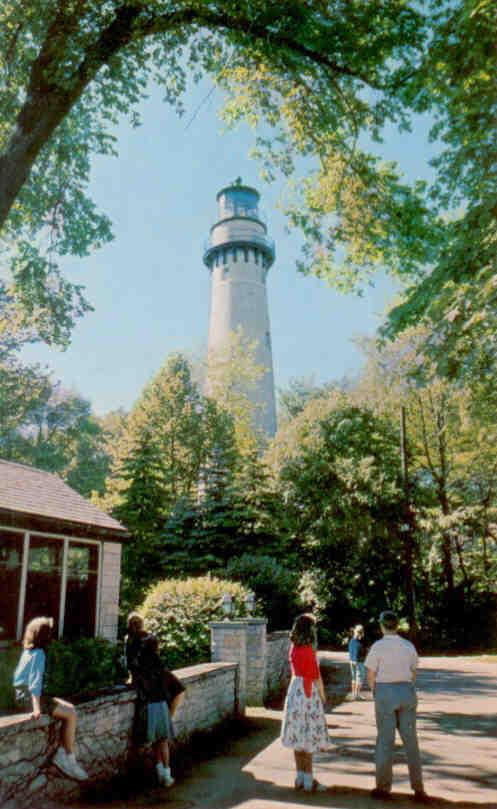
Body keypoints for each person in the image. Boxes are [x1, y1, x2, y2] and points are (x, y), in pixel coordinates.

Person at [365, 610, 430, 804]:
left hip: (385, 692)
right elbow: (414, 671)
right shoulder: (408, 645)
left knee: (385, 741)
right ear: (397, 626)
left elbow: (370, 674)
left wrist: (375, 692)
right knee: (411, 742)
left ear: (382, 625)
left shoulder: (378, 647)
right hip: (406, 691)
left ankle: (383, 787)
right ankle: (418, 788)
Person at [13, 616, 88, 781]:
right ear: (44, 636)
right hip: (29, 698)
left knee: (69, 707)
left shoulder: (28, 651)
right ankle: (67, 757)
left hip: (20, 695)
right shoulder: (39, 653)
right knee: (71, 714)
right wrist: (37, 708)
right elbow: (34, 683)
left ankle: (65, 753)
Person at [280, 613, 329, 793]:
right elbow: (316, 677)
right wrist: (323, 696)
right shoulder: (309, 650)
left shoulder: (293, 648)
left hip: (295, 690)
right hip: (308, 692)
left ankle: (299, 777)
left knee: (297, 734)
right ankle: (309, 780)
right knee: (308, 735)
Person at [134, 633, 185, 787]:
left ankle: (159, 771)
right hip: (161, 705)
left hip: (146, 707)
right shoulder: (161, 668)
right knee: (162, 741)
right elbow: (179, 690)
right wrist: (171, 712)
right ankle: (166, 774)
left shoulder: (139, 667)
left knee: (155, 741)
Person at [348, 624, 366, 700]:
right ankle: (357, 694)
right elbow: (357, 651)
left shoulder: (351, 640)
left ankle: (353, 694)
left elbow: (351, 651)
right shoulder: (358, 642)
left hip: (352, 661)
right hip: (358, 661)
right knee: (360, 677)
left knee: (354, 678)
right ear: (361, 632)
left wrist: (352, 660)